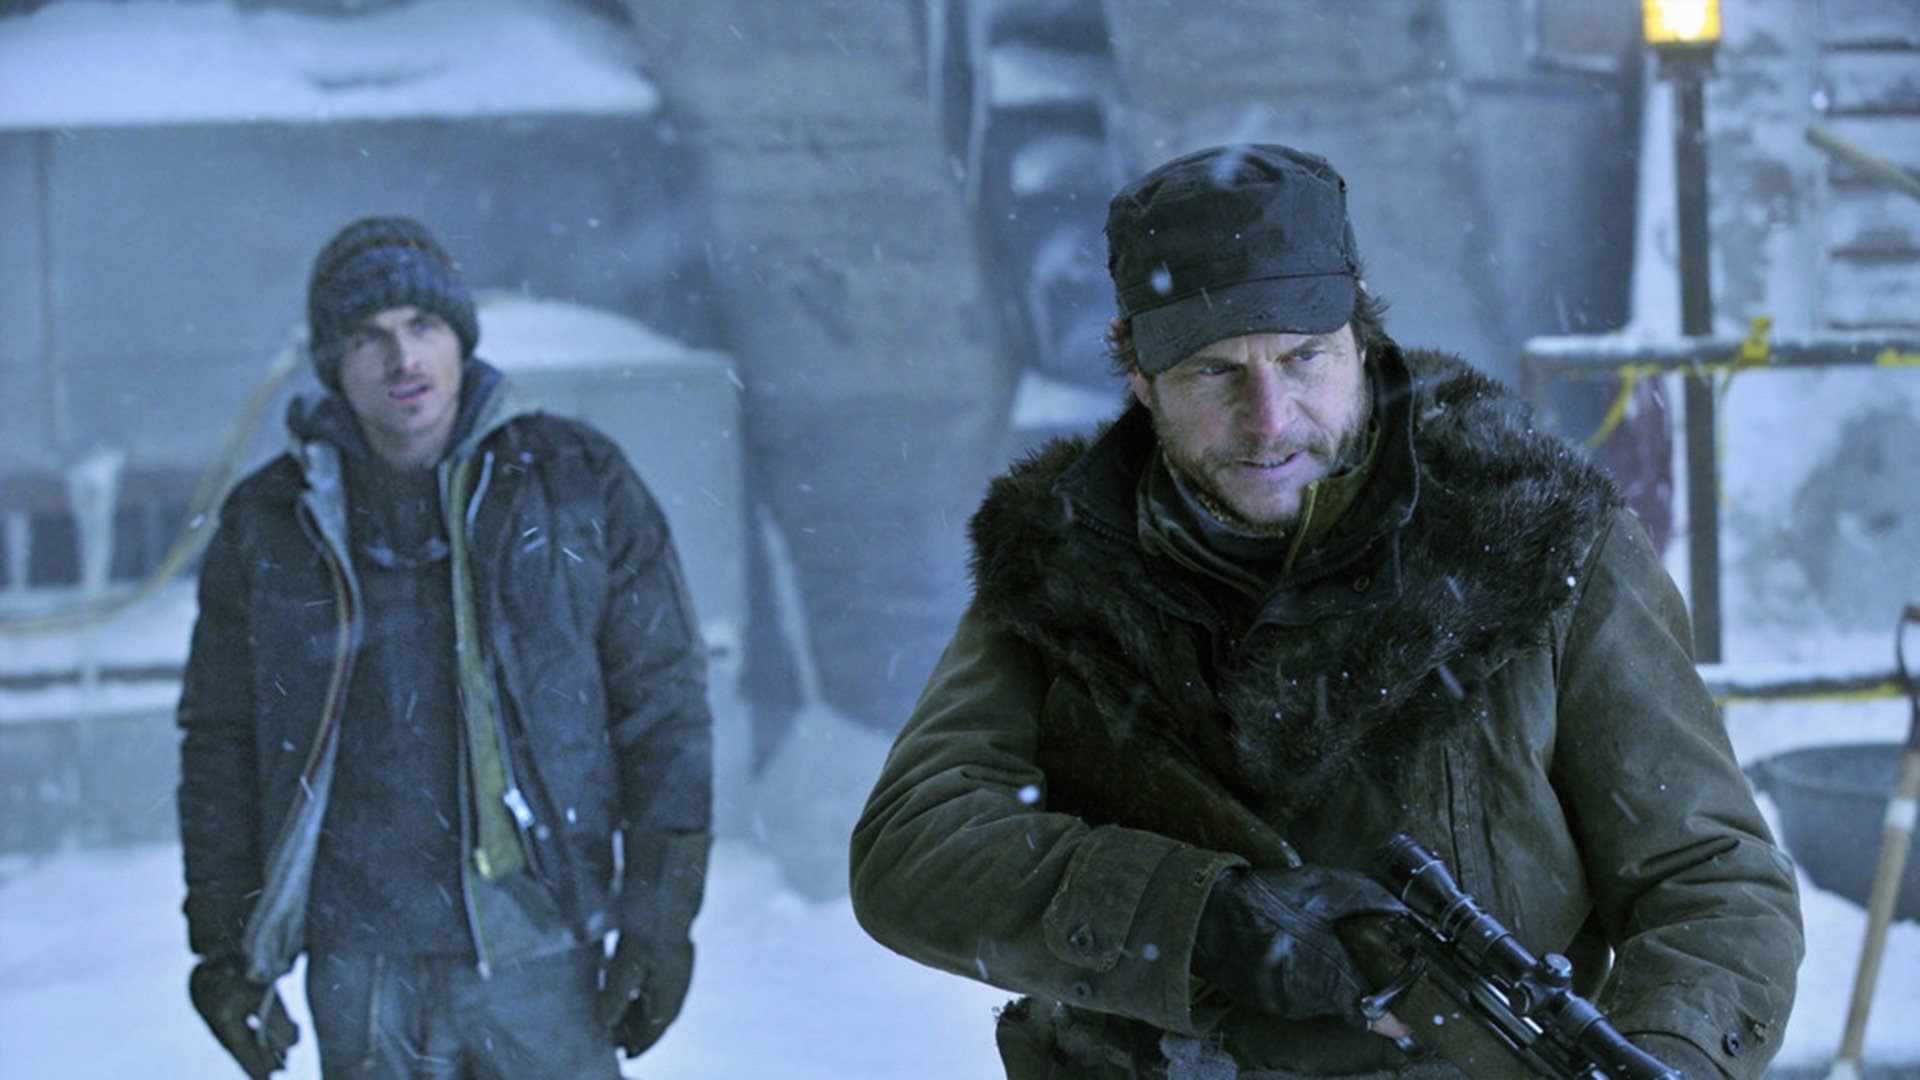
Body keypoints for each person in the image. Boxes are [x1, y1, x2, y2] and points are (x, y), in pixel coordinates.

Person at [849, 144, 1802, 1079]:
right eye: (1215, 373)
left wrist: (1667, 1059)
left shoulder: (1538, 542)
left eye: (1304, 358)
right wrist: (1205, 922)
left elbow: (1711, 881)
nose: (1270, 419)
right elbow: (915, 844)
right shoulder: (1062, 567)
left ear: (1361, 339)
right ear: (1139, 375)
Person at [176, 216, 712, 1078]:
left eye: (422, 325)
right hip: (361, 964)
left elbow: (663, 710)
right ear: (333, 364)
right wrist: (224, 952)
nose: (403, 360)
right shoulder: (269, 525)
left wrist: (659, 921)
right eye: (368, 337)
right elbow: (222, 745)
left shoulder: (574, 483)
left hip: (540, 944)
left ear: (460, 338)